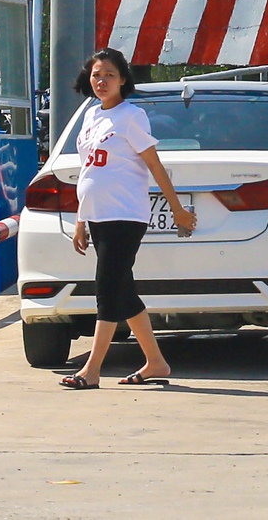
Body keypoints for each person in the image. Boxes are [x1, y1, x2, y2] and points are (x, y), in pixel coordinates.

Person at [59, 47, 196, 388]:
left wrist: (177, 209)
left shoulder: (131, 116)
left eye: (109, 75)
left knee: (106, 289)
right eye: (96, 75)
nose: (101, 81)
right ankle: (156, 363)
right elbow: (87, 170)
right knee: (123, 291)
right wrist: (80, 220)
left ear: (122, 79)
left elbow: (154, 165)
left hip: (125, 214)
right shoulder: (90, 116)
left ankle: (91, 371)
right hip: (97, 215)